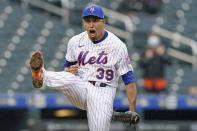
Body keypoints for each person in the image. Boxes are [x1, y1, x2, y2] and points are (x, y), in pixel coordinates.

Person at [30, 5, 139, 131]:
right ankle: (41, 76)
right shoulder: (75, 41)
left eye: (95, 20)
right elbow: (66, 69)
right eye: (88, 21)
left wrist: (132, 109)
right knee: (69, 78)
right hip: (81, 85)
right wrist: (68, 70)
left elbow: (129, 81)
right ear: (83, 22)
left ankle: (43, 76)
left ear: (103, 22)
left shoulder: (117, 46)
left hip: (103, 93)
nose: (91, 24)